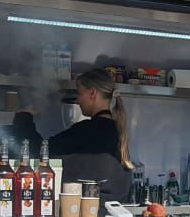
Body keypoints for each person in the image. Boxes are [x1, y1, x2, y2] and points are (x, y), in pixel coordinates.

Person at [12, 68, 132, 201]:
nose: (78, 101)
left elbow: (39, 151)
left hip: (86, 212)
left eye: (80, 94)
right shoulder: (119, 130)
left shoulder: (88, 130)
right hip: (114, 214)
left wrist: (24, 117)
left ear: (92, 93)